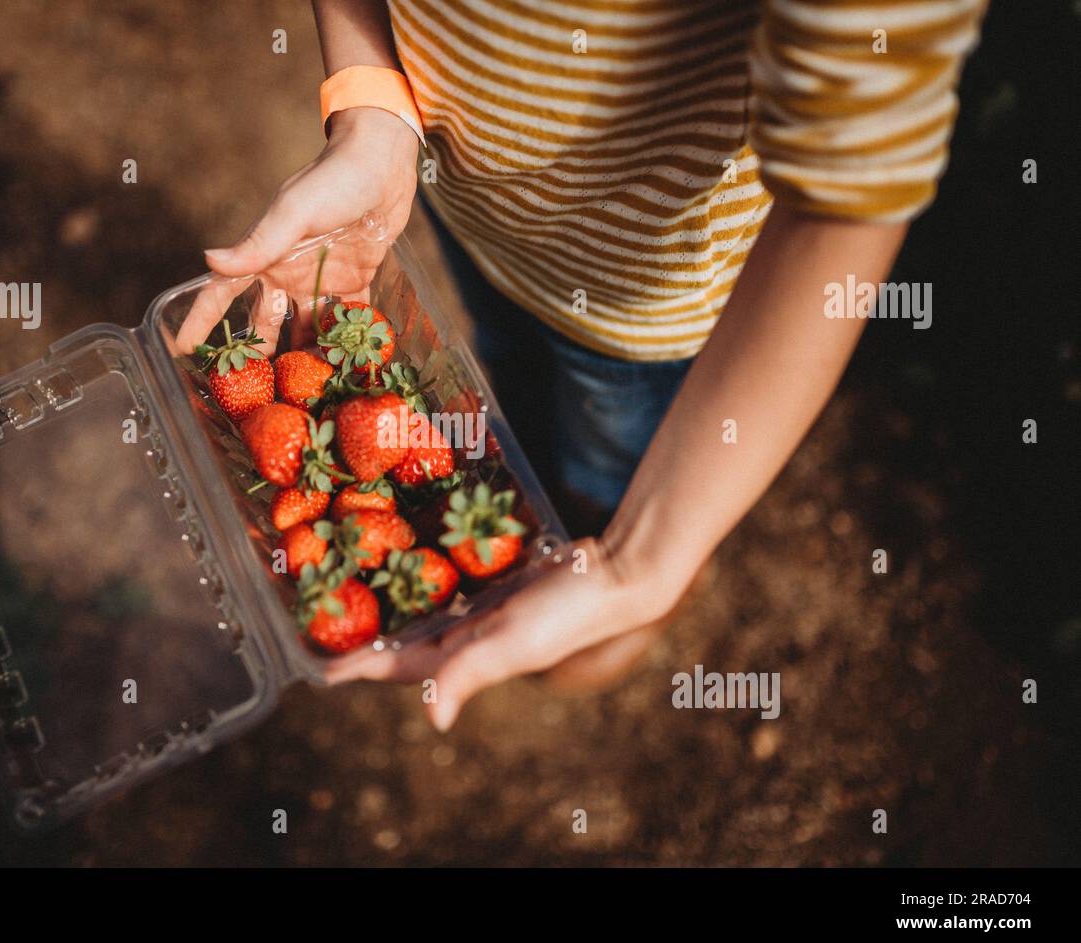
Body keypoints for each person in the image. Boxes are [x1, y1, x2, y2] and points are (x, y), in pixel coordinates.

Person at [179, 0, 988, 730]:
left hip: (646, 310)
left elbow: (850, 195)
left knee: (610, 474)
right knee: (509, 375)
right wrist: (373, 108)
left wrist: (642, 563)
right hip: (464, 209)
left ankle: (611, 545)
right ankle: (553, 502)